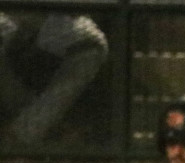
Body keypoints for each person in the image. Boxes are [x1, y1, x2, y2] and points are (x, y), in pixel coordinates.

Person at [0, 12, 108, 147]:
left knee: (90, 48)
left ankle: (19, 138)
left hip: (68, 30)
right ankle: (41, 133)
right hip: (16, 27)